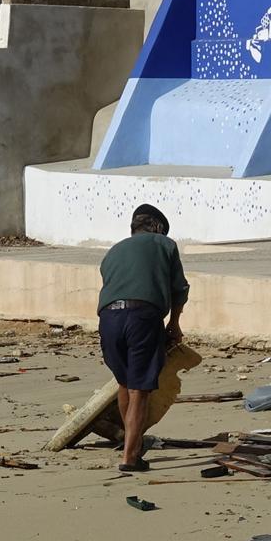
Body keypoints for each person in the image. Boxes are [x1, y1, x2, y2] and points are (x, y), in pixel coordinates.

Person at [96, 203, 189, 473]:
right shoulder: (165, 245)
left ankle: (132, 447)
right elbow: (179, 289)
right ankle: (129, 458)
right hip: (142, 317)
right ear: (159, 229)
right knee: (140, 391)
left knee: (124, 384)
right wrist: (174, 323)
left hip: (108, 319)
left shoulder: (114, 250)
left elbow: (112, 285)